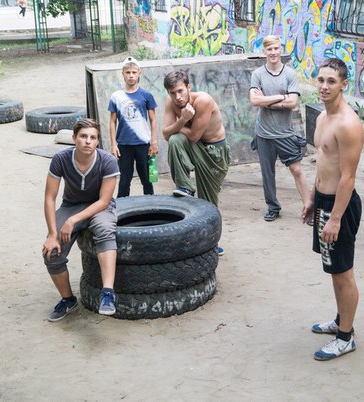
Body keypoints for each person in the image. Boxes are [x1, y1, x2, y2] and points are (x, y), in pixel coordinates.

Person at [302, 58, 364, 361]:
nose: (324, 86)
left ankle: (345, 338)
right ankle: (341, 320)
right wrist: (313, 199)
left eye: (331, 81)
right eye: (321, 80)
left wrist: (336, 218)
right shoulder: (322, 118)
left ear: (343, 85)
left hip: (341, 205)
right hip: (324, 202)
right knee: (333, 269)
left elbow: (347, 177)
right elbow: (324, 165)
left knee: (343, 273)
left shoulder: (348, 124)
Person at [42, 119, 120, 322]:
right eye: (83, 136)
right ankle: (68, 300)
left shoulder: (107, 161)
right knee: (51, 252)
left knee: (104, 230)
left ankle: (108, 293)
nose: (88, 141)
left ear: (98, 141)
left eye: (93, 138)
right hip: (71, 206)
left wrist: (72, 221)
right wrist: (52, 234)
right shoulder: (61, 159)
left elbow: (104, 201)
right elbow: (49, 198)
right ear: (74, 138)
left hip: (99, 207)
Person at [161, 70, 230, 255]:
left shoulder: (203, 101)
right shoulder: (171, 102)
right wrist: (183, 120)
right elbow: (166, 135)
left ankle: (212, 243)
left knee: (208, 203)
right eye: (173, 93)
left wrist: (176, 125)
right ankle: (185, 186)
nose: (177, 97)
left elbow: (193, 135)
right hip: (195, 146)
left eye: (180, 91)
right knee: (175, 140)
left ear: (188, 87)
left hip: (215, 152)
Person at [249, 35, 310, 222]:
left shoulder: (289, 74)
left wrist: (267, 101)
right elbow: (254, 100)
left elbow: (293, 103)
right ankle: (273, 207)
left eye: (276, 48)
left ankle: (309, 207)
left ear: (280, 49)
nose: (273, 52)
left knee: (297, 170)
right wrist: (281, 97)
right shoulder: (258, 74)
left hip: (285, 133)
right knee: (268, 174)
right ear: (264, 52)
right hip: (264, 133)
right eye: (269, 49)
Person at [109, 56, 158, 198]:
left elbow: (153, 120)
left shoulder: (146, 95)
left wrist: (154, 142)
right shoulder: (116, 96)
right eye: (128, 72)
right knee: (124, 180)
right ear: (123, 74)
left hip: (143, 144)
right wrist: (113, 144)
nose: (131, 76)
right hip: (124, 145)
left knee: (147, 179)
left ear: (139, 73)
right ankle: (122, 207)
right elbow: (112, 121)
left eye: (134, 72)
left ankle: (151, 205)